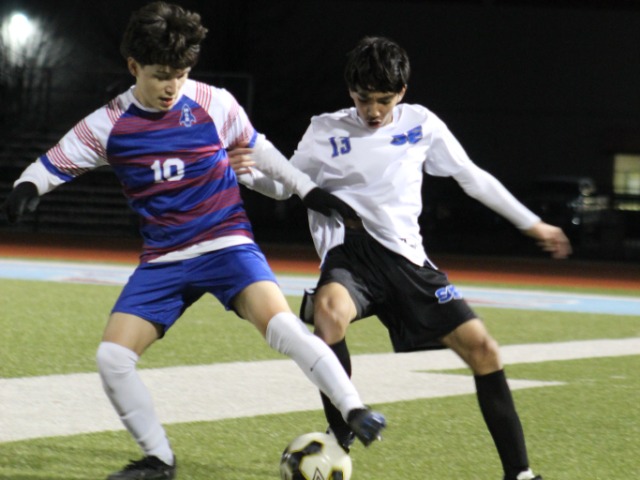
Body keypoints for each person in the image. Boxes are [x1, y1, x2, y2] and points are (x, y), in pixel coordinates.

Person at [0, 6, 386, 480]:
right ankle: (159, 460)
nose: (172, 87)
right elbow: (53, 162)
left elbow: (259, 148)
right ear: (133, 67)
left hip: (227, 244)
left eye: (180, 74)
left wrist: (308, 191)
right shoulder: (109, 123)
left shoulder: (212, 102)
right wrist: (27, 187)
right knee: (112, 358)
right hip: (163, 259)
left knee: (284, 327)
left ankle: (354, 408)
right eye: (161, 75)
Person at [232, 36, 572, 480]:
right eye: (363, 99)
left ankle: (520, 474)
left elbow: (472, 177)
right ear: (350, 92)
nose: (373, 110)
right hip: (351, 257)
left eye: (384, 100)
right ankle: (341, 436)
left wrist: (533, 224)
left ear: (402, 92)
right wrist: (249, 175)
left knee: (484, 351)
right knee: (329, 312)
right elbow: (286, 186)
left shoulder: (422, 124)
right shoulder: (324, 130)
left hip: (409, 262)